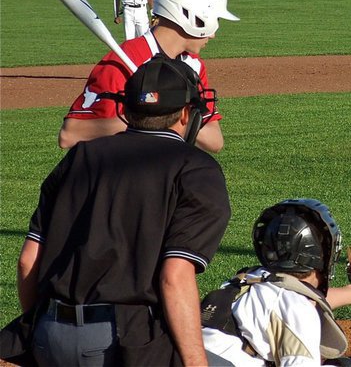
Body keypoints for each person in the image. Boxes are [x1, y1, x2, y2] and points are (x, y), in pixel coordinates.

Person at [16, 56, 232, 366]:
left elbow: (28, 261)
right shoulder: (196, 168)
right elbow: (175, 276)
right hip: (121, 342)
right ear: (186, 114)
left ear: (125, 108)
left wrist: (38, 329)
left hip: (49, 333)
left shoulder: (80, 157)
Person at [59, 0, 239, 153]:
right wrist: (145, 119)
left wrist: (170, 116)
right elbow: (69, 135)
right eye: (215, 19)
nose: (214, 34)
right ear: (192, 16)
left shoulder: (193, 65)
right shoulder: (123, 61)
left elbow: (215, 142)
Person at [201, 199, 351, 367]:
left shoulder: (247, 280)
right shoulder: (298, 308)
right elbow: (295, 306)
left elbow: (294, 300)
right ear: (324, 255)